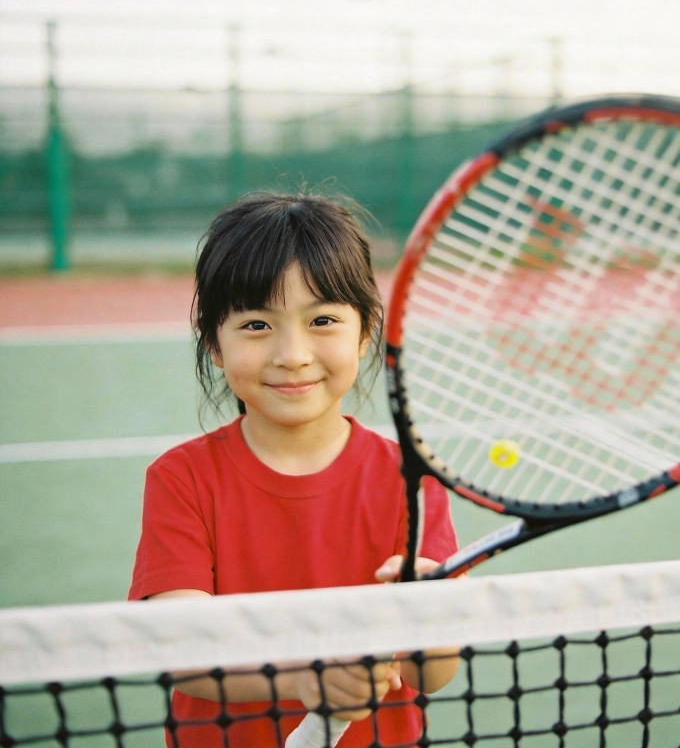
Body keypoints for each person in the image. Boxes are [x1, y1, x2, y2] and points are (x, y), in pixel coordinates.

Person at [128, 192, 460, 748]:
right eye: (257, 325)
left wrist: (435, 617)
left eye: (323, 319)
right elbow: (182, 652)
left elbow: (434, 672)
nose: (292, 353)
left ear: (365, 328)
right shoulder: (180, 479)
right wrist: (309, 678)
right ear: (213, 341)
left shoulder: (411, 480)